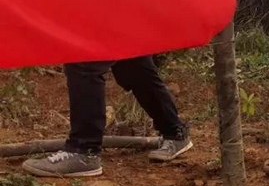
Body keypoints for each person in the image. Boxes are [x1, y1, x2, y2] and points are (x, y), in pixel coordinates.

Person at [22, 57, 192, 177]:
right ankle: (174, 132)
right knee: (132, 64)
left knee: (85, 60)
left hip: (109, 10)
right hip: (117, 10)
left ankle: (84, 151)